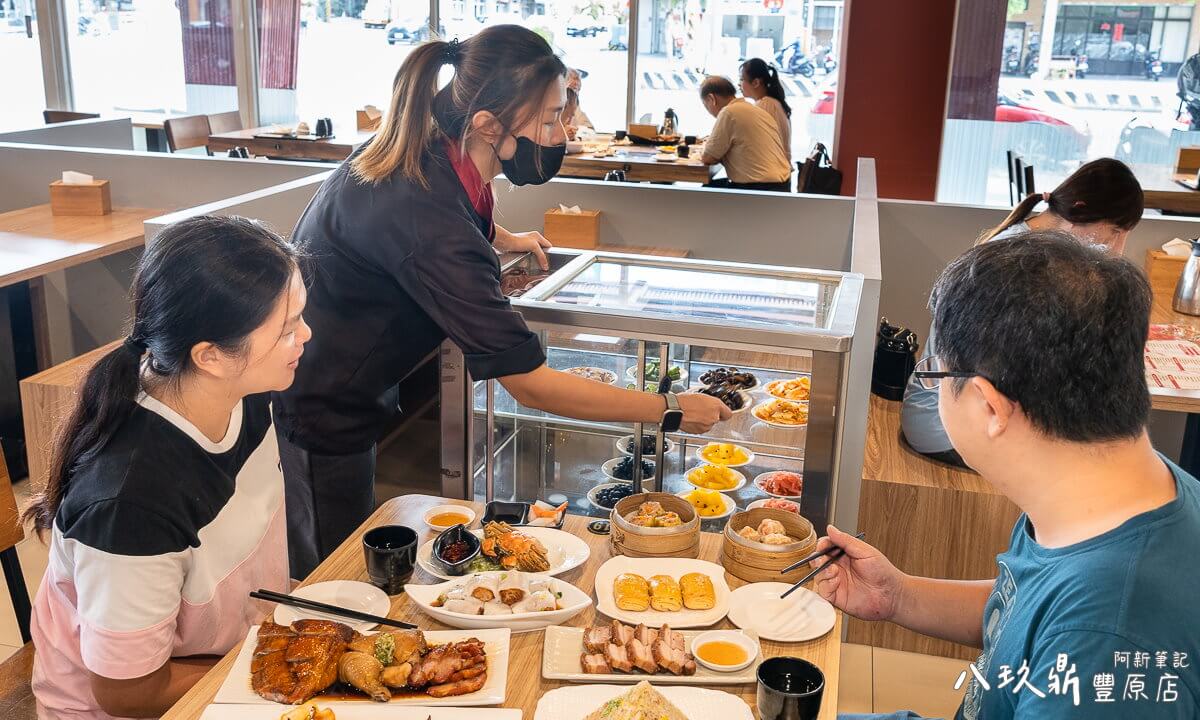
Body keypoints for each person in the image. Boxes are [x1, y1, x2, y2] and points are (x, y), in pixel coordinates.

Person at [274, 25, 731, 579]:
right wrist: (670, 410)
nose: (560, 133)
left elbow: (457, 210)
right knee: (336, 567)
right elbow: (529, 383)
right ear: (487, 124)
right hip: (325, 393)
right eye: (547, 120)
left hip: (357, 371)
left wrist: (502, 237)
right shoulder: (425, 213)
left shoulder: (437, 144)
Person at [829, 231, 1199, 720]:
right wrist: (896, 594)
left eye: (936, 372)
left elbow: (1071, 628)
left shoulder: (1105, 638)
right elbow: (1024, 611)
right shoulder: (1118, 490)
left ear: (989, 405)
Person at [29, 216, 309, 718]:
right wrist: (269, 669)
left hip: (235, 655)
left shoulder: (244, 394)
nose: (306, 335)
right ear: (211, 356)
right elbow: (127, 692)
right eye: (288, 329)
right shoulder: (131, 502)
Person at [901, 158, 1143, 467]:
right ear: (1079, 210)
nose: (1117, 248)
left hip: (964, 409)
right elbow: (1010, 374)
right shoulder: (1018, 261)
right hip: (943, 422)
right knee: (1092, 461)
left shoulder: (1036, 247)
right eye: (1114, 231)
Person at [697, 75, 792, 192]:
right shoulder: (757, 111)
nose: (708, 111)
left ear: (712, 99)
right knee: (710, 188)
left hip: (759, 189)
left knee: (704, 193)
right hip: (782, 186)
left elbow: (708, 158)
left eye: (705, 105)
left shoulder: (728, 112)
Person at [739, 58, 791, 160]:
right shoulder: (772, 103)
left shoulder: (764, 106)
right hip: (779, 170)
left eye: (741, 79)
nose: (739, 84)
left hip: (772, 173)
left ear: (756, 83)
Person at [563, 67, 593, 139]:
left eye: (579, 80)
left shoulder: (575, 106)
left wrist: (575, 133)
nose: (578, 83)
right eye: (575, 78)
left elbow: (591, 131)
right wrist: (563, 133)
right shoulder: (555, 103)